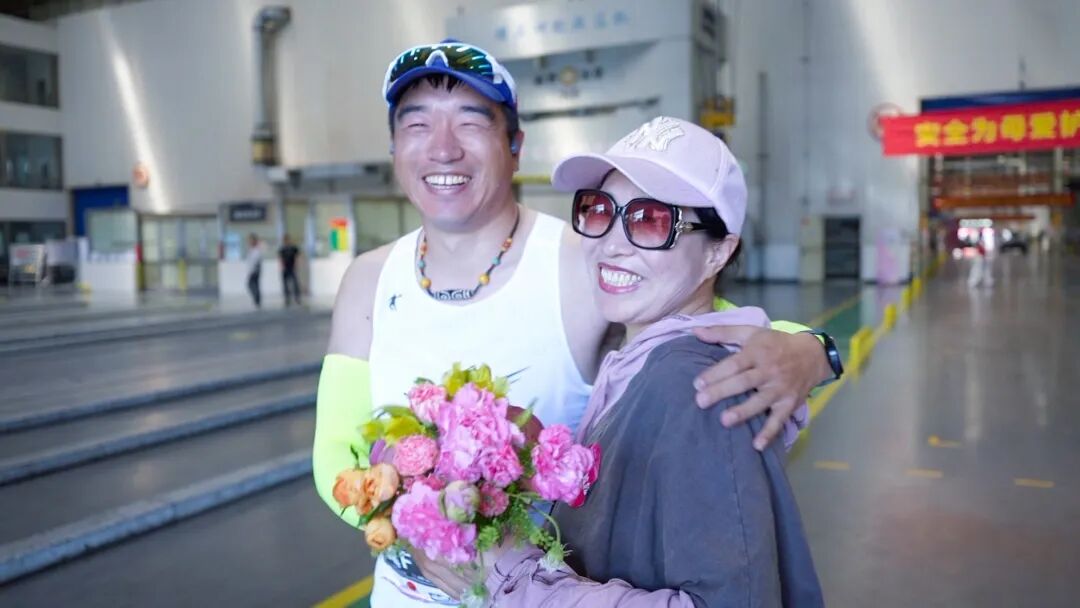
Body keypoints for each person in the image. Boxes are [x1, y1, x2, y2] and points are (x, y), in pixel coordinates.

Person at [313, 41, 841, 607]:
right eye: (417, 125)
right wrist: (421, 529)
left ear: (515, 146)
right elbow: (334, 457)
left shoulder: (583, 256)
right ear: (393, 148)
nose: (443, 149)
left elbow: (706, 327)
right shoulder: (368, 278)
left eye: (470, 123)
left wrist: (814, 350)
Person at [415, 117, 824, 606]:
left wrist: (517, 577)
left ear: (718, 253)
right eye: (599, 211)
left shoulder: (698, 387)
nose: (611, 243)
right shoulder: (635, 364)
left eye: (651, 220)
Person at [279, 233, 302, 306]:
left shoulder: (293, 248)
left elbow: (297, 257)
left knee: (295, 283)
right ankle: (287, 298)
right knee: (285, 284)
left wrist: (296, 264)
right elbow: (281, 258)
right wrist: (281, 266)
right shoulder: (282, 249)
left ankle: (297, 297)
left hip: (292, 267)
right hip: (285, 268)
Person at [246, 233, 262, 308]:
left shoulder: (256, 250)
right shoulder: (251, 250)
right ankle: (257, 300)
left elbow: (255, 261)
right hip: (253, 270)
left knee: (250, 284)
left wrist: (251, 270)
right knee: (255, 285)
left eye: (250, 240)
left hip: (254, 270)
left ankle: (257, 298)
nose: (249, 242)